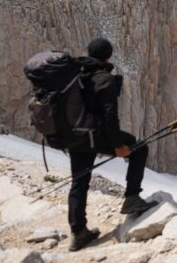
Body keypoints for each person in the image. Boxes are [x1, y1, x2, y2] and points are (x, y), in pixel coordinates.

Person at [67, 37, 156, 251]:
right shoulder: (104, 79)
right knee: (139, 147)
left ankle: (78, 233)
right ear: (108, 56)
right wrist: (117, 146)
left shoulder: (77, 74)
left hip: (75, 135)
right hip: (95, 135)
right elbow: (109, 118)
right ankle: (132, 197)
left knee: (79, 182)